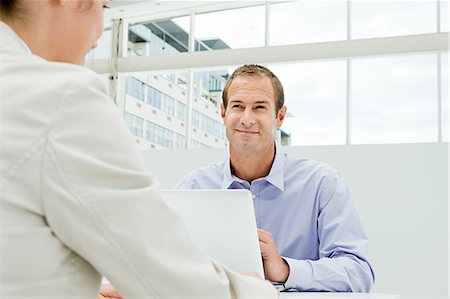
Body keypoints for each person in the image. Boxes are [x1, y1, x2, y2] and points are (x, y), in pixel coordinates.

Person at [0, 1, 278, 298]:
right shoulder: (62, 95)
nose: (100, 30)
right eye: (103, 6)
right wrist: (258, 290)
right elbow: (174, 283)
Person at [174, 64, 376, 292]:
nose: (247, 119)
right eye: (238, 106)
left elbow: (359, 273)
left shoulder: (323, 184)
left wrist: (286, 270)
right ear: (223, 113)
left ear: (279, 117)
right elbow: (167, 263)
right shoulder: (192, 188)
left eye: (259, 107)